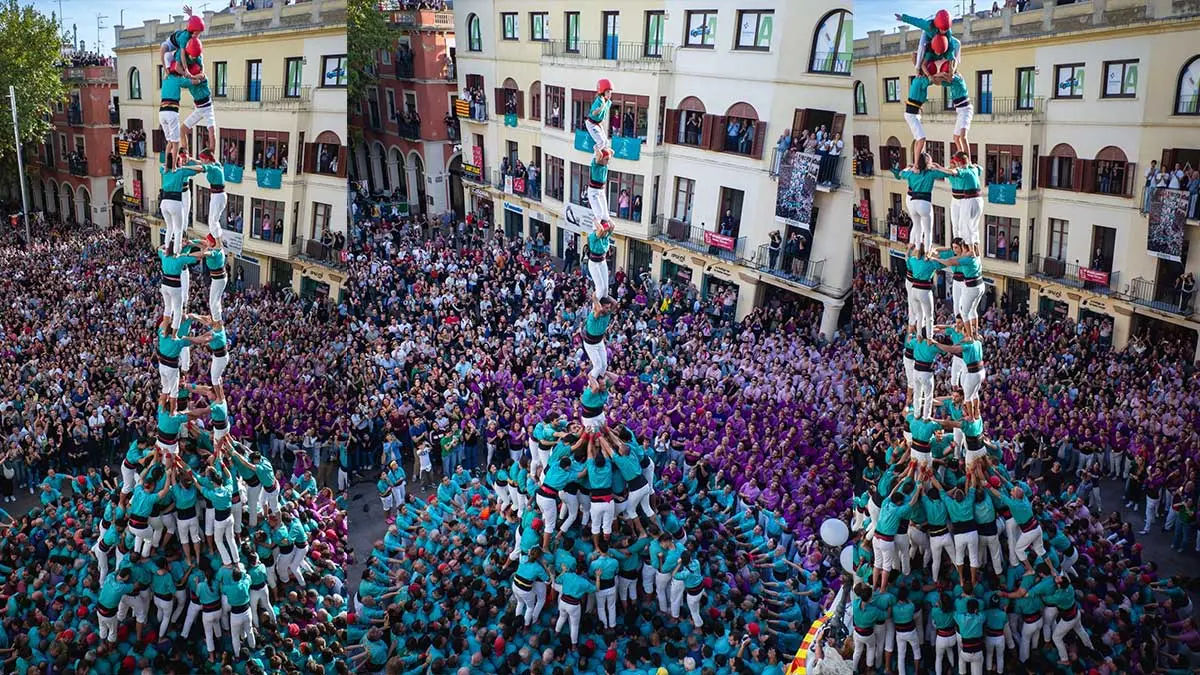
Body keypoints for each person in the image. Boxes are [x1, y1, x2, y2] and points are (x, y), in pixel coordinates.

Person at [892, 154, 937, 251]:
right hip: (924, 202)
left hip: (913, 202)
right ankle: (927, 252)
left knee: (917, 226)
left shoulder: (911, 173)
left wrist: (909, 168)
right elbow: (948, 174)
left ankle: (917, 248)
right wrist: (937, 167)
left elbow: (901, 173)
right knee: (928, 231)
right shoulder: (931, 173)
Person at [586, 78, 614, 153]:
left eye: (610, 92)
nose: (609, 94)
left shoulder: (608, 102)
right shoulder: (599, 101)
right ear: (602, 92)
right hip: (591, 123)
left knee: (606, 142)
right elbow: (593, 113)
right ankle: (596, 157)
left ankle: (603, 154)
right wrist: (601, 107)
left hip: (598, 123)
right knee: (601, 142)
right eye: (607, 92)